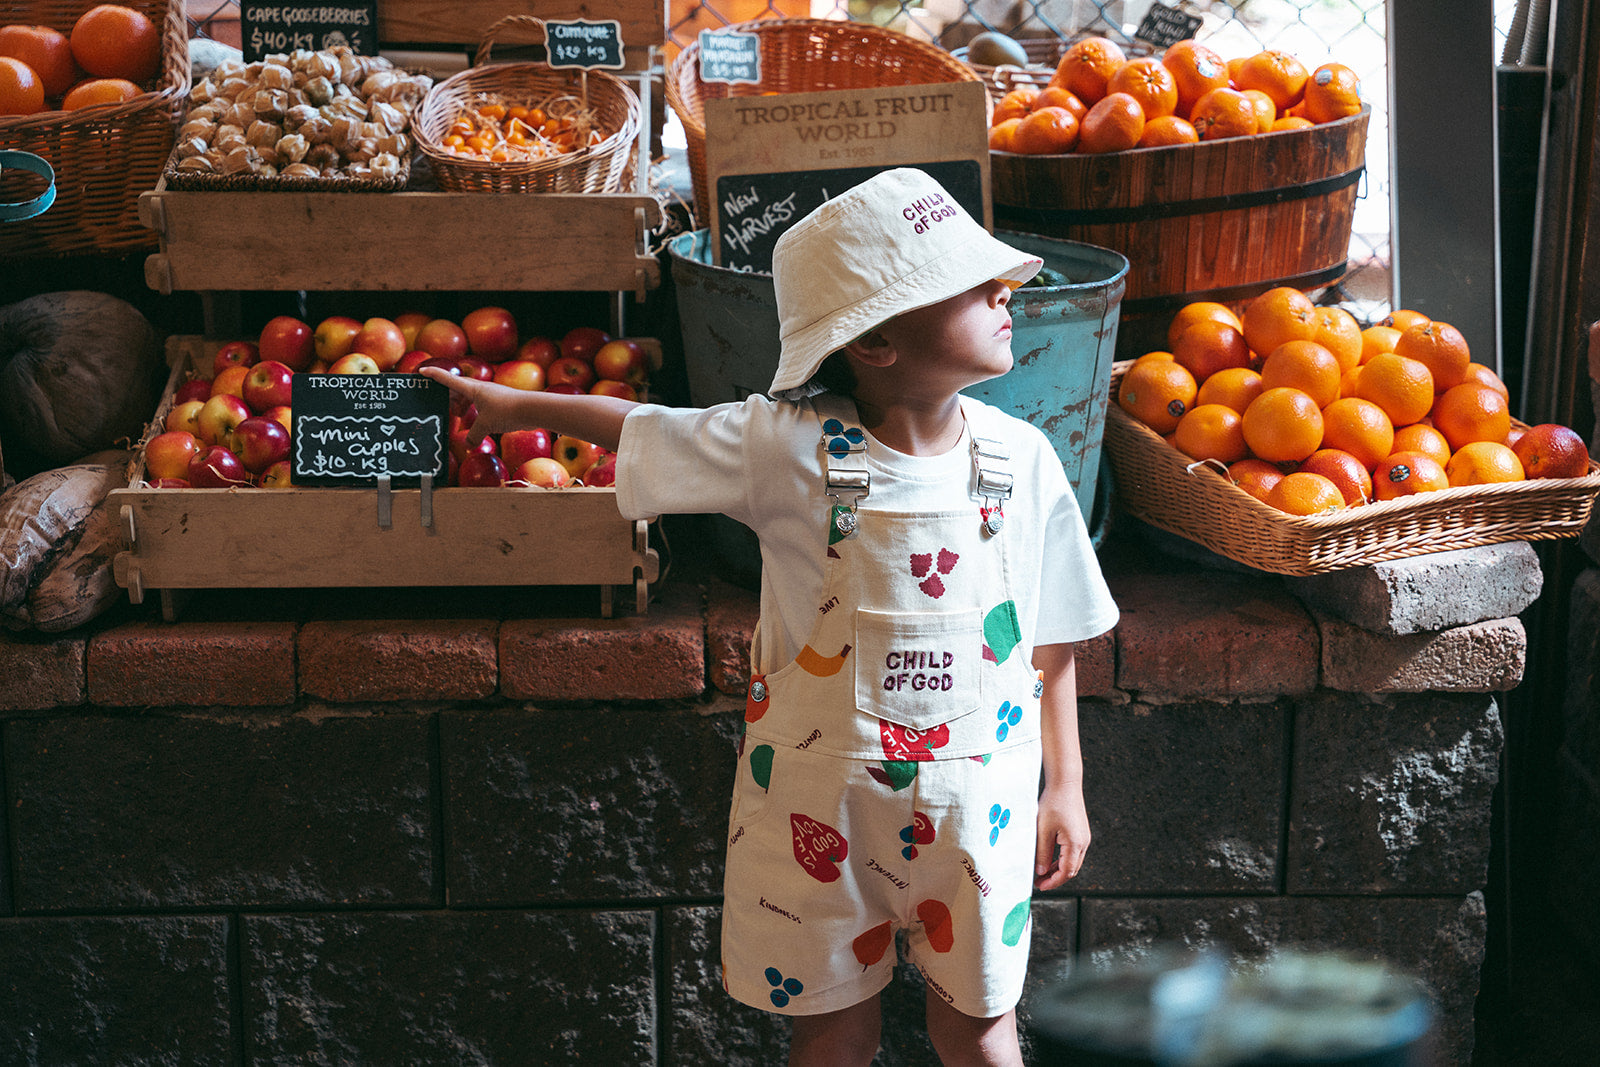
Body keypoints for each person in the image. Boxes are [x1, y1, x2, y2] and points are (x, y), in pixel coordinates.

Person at [423, 167, 1119, 1066]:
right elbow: (646, 423)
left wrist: (1064, 781)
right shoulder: (781, 447)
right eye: (968, 283)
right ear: (874, 345)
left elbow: (1053, 627)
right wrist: (514, 405)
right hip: (820, 809)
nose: (1004, 290)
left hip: (978, 810)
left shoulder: (1023, 460)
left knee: (982, 1029)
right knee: (830, 1029)